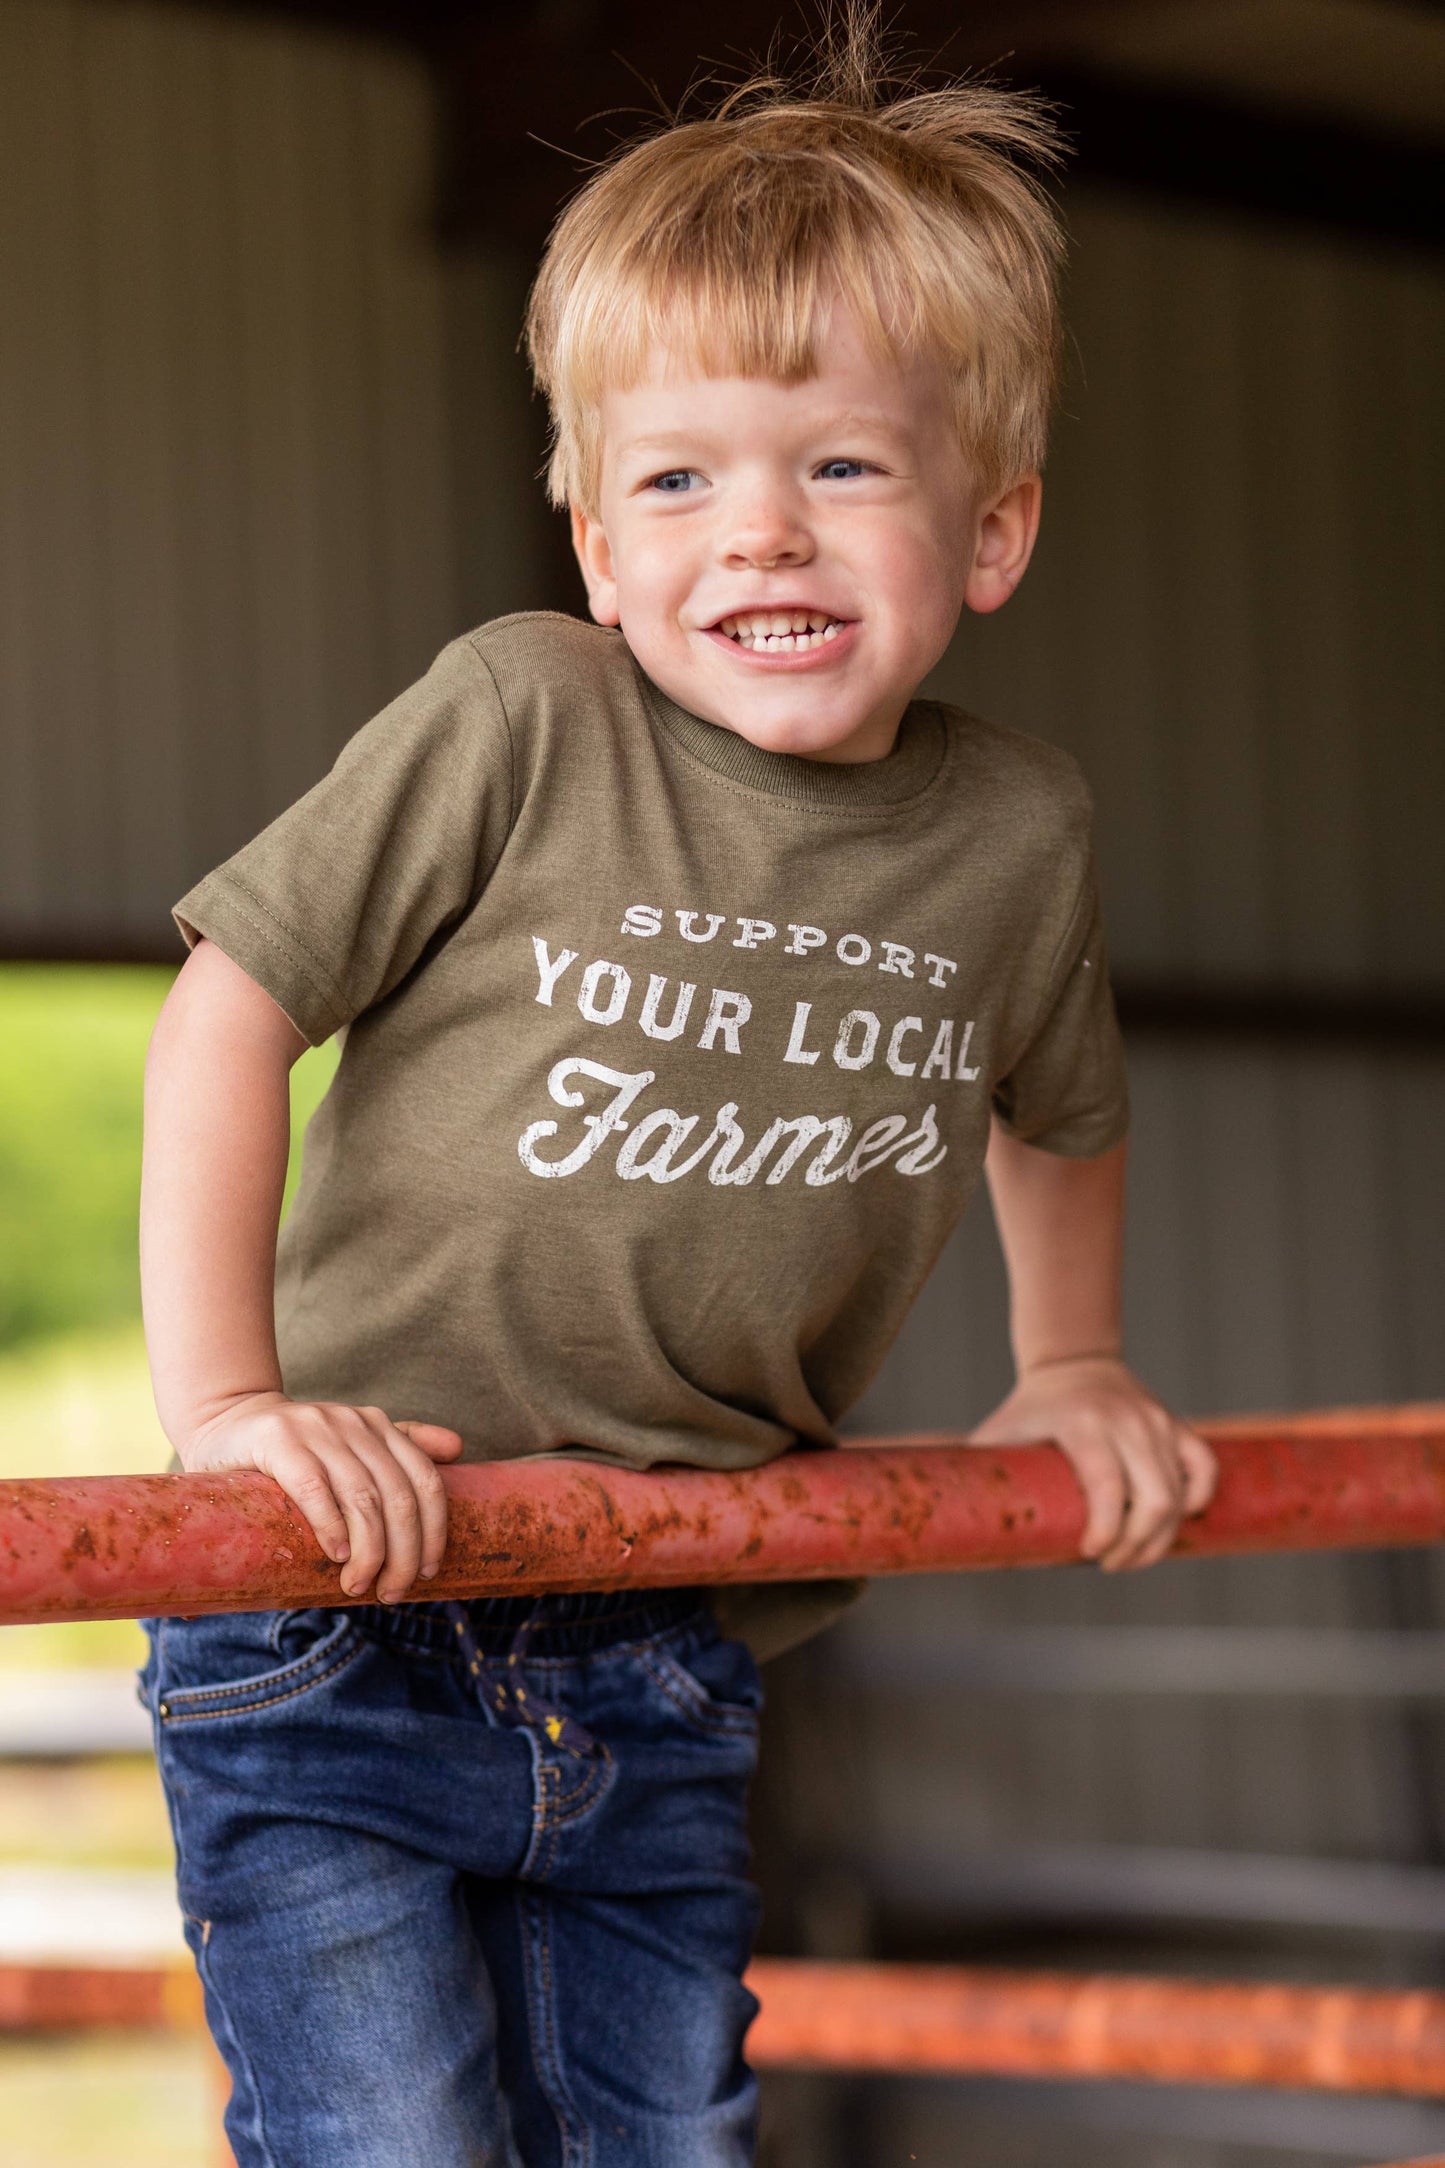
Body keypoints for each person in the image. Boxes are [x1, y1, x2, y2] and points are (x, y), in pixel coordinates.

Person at [138, 20, 1217, 2166]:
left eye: (843, 467)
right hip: (345, 1595)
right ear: (597, 543)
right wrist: (232, 1410)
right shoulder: (521, 716)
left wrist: (1074, 1359)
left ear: (989, 529)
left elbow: (1056, 1107)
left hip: (665, 1637)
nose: (764, 536)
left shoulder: (1017, 830)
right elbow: (231, 1004)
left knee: (670, 2145)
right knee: (394, 2144)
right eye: (679, 478)